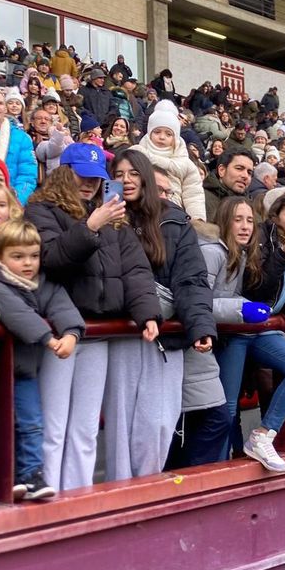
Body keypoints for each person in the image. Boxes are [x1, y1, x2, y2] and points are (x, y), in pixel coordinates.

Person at [25, 144, 161, 491]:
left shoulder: (113, 217)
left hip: (98, 333)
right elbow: (51, 259)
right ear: (63, 171)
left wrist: (147, 313)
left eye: (96, 178)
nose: (89, 184)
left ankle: (80, 499)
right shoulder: (42, 209)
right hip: (60, 331)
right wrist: (89, 226)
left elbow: (135, 271)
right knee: (54, 426)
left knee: (85, 427)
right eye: (82, 176)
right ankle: (50, 501)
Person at [106, 150, 216, 480]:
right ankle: (123, 492)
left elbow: (192, 279)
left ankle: (148, 486)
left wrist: (200, 327)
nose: (125, 180)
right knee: (122, 423)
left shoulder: (175, 219)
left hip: (167, 336)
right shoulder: (105, 215)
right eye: (118, 173)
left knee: (160, 421)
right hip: (123, 332)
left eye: (132, 173)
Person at [201, 197, 285, 472]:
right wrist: (244, 308)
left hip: (256, 328)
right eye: (238, 220)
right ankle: (217, 467)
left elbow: (269, 292)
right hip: (231, 333)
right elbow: (203, 301)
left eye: (249, 220)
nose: (245, 226)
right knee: (226, 408)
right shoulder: (217, 251)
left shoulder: (249, 251)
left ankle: (262, 434)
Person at [0, 220, 83, 501]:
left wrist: (71, 333)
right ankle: (2, 477)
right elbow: (15, 312)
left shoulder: (43, 281)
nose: (28, 264)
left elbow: (60, 304)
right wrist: (49, 338)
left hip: (23, 369)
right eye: (18, 257)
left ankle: (31, 474)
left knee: (32, 421)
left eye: (34, 256)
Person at [129, 100, 205, 222]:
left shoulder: (185, 164)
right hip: (140, 213)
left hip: (174, 217)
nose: (162, 137)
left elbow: (194, 196)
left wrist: (197, 220)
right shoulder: (137, 155)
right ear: (149, 133)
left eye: (168, 134)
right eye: (157, 132)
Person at [204, 151, 252, 220]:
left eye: (249, 172)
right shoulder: (201, 199)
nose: (245, 176)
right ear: (222, 170)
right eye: (239, 168)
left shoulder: (249, 204)